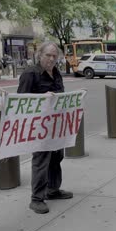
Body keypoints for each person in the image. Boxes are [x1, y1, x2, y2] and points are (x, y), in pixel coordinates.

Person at [17, 41, 73, 214]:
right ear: (40, 55)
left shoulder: (56, 73)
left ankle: (52, 190)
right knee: (41, 161)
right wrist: (42, 97)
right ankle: (37, 199)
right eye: (48, 55)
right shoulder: (30, 73)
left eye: (54, 56)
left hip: (56, 126)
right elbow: (21, 101)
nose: (51, 59)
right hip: (39, 127)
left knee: (57, 157)